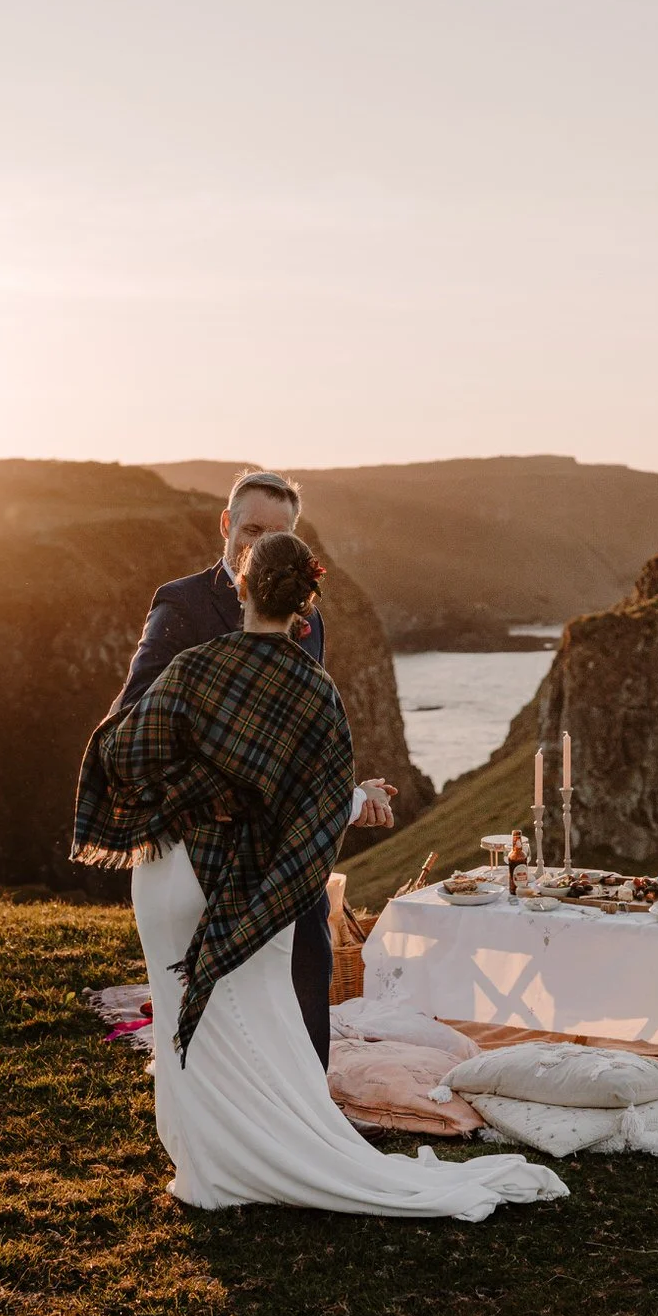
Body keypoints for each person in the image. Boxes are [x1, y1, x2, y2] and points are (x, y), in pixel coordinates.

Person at [74, 530, 566, 1219]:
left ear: (240, 588)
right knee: (259, 1021)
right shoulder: (315, 695)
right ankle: (253, 1153)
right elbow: (314, 814)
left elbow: (120, 753)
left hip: (172, 873)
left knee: (196, 1014)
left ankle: (208, 1162)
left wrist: (192, 790)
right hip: (254, 888)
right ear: (305, 602)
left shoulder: (191, 669)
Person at [110, 469, 393, 1065]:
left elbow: (298, 739)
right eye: (251, 528)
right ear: (226, 525)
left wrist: (346, 792)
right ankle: (226, 1116)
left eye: (277, 533)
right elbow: (130, 719)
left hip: (289, 855)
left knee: (307, 979)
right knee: (218, 1002)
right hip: (203, 855)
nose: (260, 545)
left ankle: (305, 1112)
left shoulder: (308, 621)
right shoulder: (183, 604)